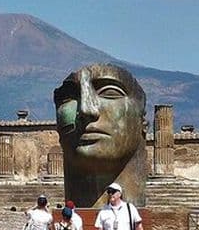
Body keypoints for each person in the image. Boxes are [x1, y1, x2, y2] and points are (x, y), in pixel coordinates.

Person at [54, 63, 149, 207]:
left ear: (142, 121)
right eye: (69, 97)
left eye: (109, 93)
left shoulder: (131, 215)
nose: (86, 109)